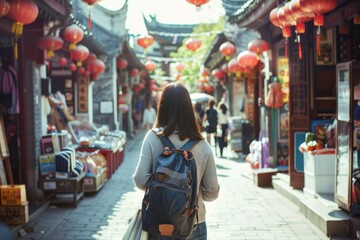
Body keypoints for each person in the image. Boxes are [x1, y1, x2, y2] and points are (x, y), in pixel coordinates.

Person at [134, 82, 220, 240]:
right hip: (194, 221)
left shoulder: (152, 138)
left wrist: (162, 189)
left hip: (159, 222)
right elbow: (212, 191)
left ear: (162, 106)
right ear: (189, 108)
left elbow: (140, 180)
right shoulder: (202, 145)